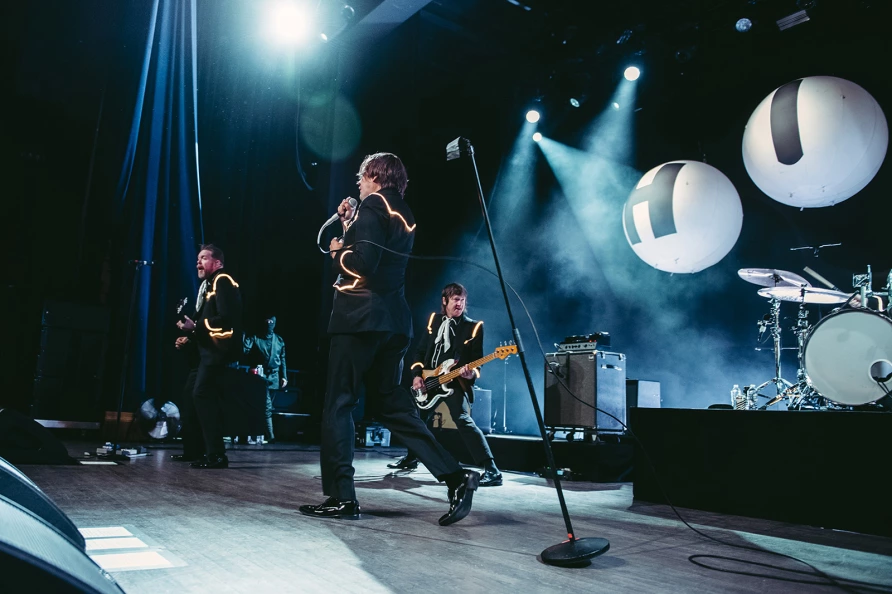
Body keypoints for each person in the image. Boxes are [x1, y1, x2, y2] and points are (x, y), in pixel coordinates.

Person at [299, 153, 479, 525]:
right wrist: (351, 225)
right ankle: (456, 477)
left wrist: (337, 252)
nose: (358, 185)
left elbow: (362, 264)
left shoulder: (372, 204)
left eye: (361, 178)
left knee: (339, 405)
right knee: (392, 406)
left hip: (359, 319)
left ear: (375, 175)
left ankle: (341, 497)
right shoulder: (403, 213)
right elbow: (377, 256)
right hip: (393, 323)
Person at [388, 283, 502, 487]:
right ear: (445, 301)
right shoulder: (434, 320)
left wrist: (470, 374)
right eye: (455, 299)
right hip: (429, 381)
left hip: (455, 383)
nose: (459, 303)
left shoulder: (473, 327)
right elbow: (420, 352)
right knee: (415, 420)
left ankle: (492, 469)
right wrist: (416, 375)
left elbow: (477, 362)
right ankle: (412, 457)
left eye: (462, 300)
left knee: (462, 420)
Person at [176, 244, 243, 469]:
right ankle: (193, 451)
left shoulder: (222, 280)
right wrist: (190, 336)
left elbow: (227, 318)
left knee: (202, 395)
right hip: (204, 352)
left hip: (216, 353)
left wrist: (195, 327)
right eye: (198, 258)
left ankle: (216, 454)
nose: (198, 262)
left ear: (218, 263)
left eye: (203, 258)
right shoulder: (208, 285)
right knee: (190, 397)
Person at [242, 315, 288, 444]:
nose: (269, 324)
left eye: (271, 322)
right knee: (266, 406)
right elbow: (245, 350)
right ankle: (270, 435)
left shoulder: (278, 340)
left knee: (268, 406)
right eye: (267, 321)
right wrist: (244, 339)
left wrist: (284, 376)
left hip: (274, 376)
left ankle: (262, 433)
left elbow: (282, 359)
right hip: (259, 376)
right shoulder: (256, 338)